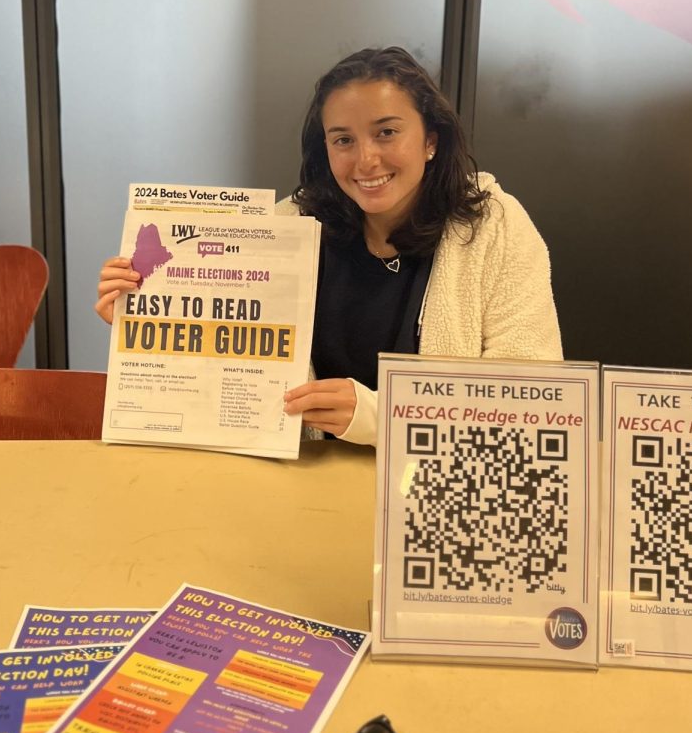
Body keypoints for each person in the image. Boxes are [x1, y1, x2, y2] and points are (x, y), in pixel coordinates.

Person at [95, 46, 561, 445]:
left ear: (431, 141)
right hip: (302, 487)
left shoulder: (493, 229)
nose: (366, 160)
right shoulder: (285, 230)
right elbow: (217, 381)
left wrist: (379, 419)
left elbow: (530, 402)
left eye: (387, 132)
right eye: (343, 139)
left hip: (439, 491)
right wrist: (147, 316)